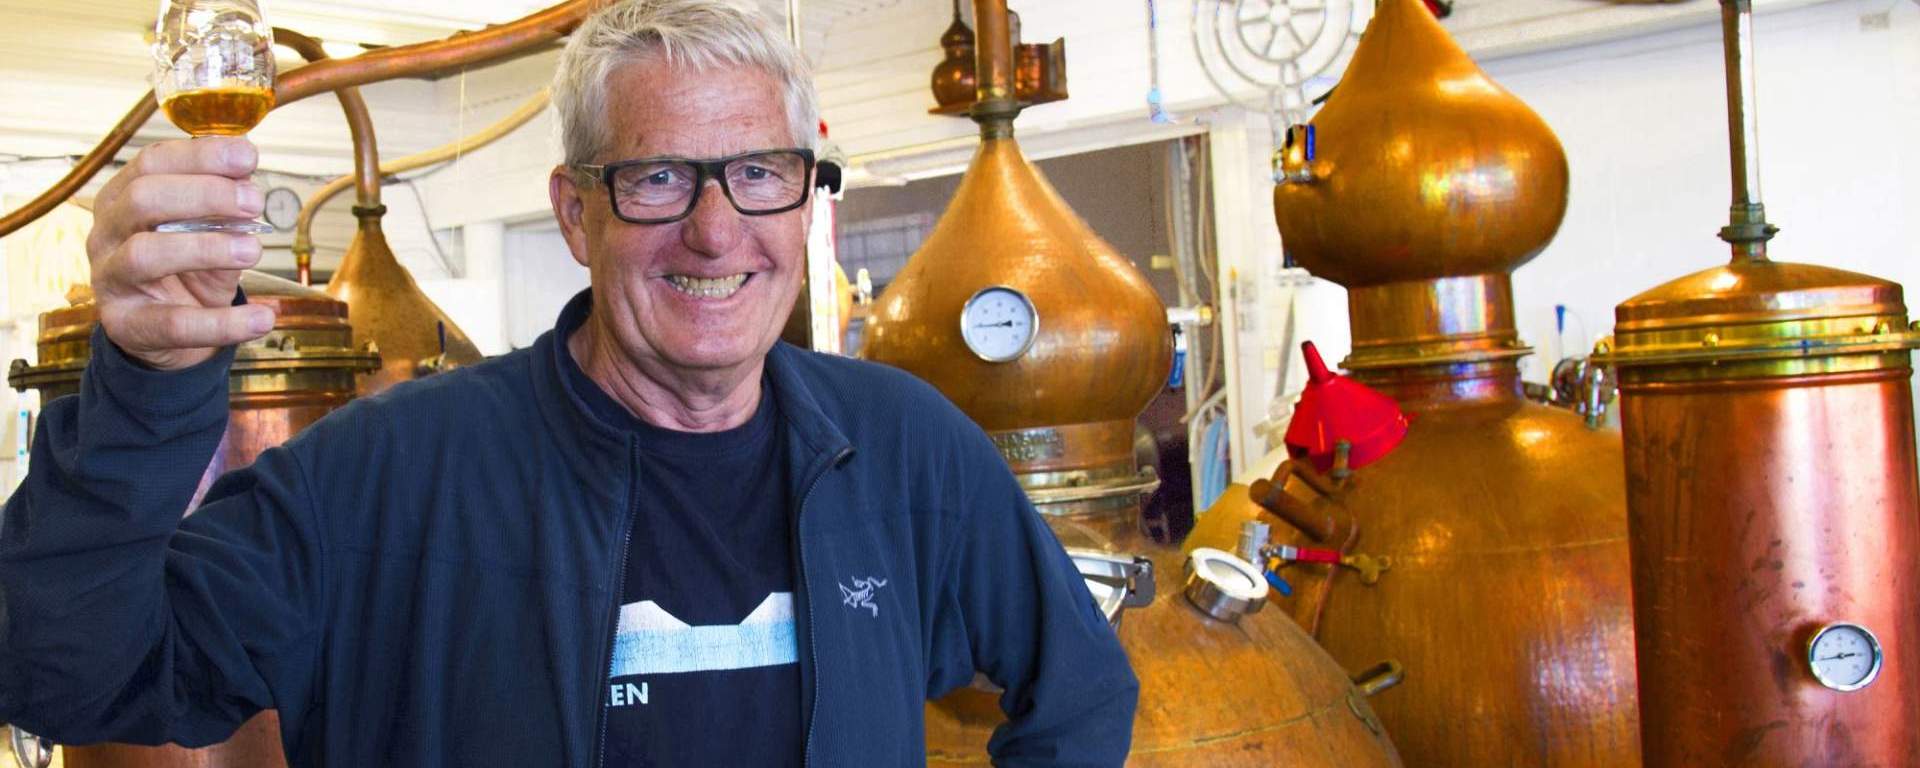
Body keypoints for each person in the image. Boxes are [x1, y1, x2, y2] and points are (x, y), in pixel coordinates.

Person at [0, 1, 1138, 765]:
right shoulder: (383, 479)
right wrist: (144, 389)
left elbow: (1081, 692)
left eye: (759, 173)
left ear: (804, 199)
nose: (715, 231)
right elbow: (63, 676)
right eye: (657, 177)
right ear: (574, 212)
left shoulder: (900, 448)